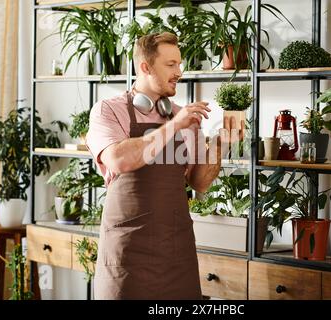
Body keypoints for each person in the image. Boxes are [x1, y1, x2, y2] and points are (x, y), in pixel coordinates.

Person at [86, 32, 243, 300]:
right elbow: (119, 159)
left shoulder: (183, 116)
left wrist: (221, 145)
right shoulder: (108, 110)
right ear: (145, 67)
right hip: (128, 251)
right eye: (170, 65)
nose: (179, 72)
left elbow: (199, 182)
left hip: (176, 251)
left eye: (179, 64)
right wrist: (174, 125)